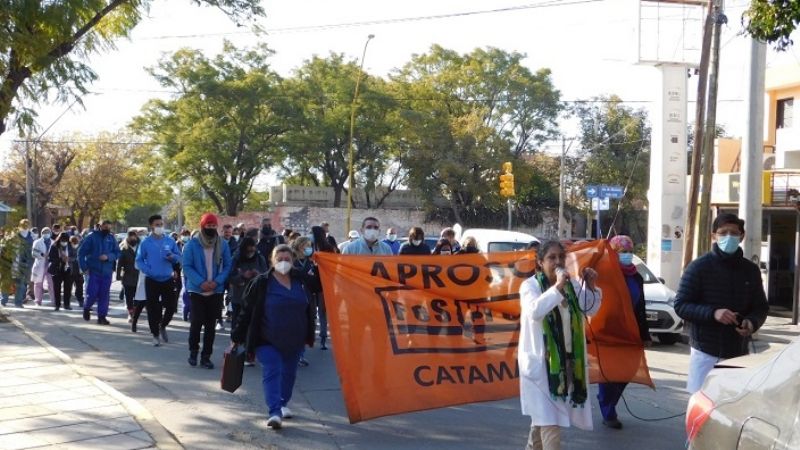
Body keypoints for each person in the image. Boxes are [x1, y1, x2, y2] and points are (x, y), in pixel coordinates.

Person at [518, 240, 602, 450]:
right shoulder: (530, 286)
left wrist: (590, 287)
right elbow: (535, 311)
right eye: (551, 258)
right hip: (542, 364)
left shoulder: (571, 285)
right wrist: (557, 288)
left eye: (561, 257)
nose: (558, 262)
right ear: (540, 262)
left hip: (564, 364)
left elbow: (590, 309)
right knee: (550, 423)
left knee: (543, 420)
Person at [674, 213, 769, 394]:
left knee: (731, 408)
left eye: (733, 233)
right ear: (714, 236)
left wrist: (752, 322)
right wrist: (713, 313)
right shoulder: (698, 267)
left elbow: (761, 307)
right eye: (723, 232)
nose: (728, 237)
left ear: (742, 236)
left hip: (739, 352)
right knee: (700, 406)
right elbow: (681, 305)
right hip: (705, 351)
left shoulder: (750, 270)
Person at [231, 244, 317, 430]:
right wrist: (236, 336)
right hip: (266, 338)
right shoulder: (261, 283)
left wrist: (319, 260)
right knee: (273, 370)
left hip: (295, 339)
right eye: (280, 259)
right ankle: (274, 412)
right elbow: (246, 311)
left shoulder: (301, 280)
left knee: (289, 374)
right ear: (272, 261)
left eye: (287, 259)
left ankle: (283, 402)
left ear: (293, 261)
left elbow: (321, 284)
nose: (284, 263)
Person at [596, 235, 651, 430]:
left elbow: (641, 308)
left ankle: (609, 400)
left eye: (629, 251)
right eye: (622, 252)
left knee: (627, 370)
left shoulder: (636, 276)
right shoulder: (604, 274)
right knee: (609, 372)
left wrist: (645, 334)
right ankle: (608, 410)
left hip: (631, 332)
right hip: (608, 332)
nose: (627, 256)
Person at [182, 213, 232, 369]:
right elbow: (187, 266)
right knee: (196, 323)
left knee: (211, 325)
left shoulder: (222, 244)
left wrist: (217, 282)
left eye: (213, 226)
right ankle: (193, 352)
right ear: (202, 226)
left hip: (215, 290)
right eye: (208, 225)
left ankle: (206, 356)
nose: (211, 228)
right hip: (197, 290)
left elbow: (228, 265)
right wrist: (201, 282)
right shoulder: (192, 244)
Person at [136, 215, 182, 346]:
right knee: (152, 308)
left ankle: (163, 324)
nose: (160, 227)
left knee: (171, 306)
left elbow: (179, 256)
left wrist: (173, 257)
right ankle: (155, 334)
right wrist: (148, 270)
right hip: (152, 279)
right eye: (157, 225)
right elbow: (139, 260)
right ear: (151, 226)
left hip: (167, 278)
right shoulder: (145, 242)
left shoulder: (170, 241)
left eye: (161, 224)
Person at [78, 220, 120, 324]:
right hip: (94, 271)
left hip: (107, 271)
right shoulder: (91, 237)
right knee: (92, 293)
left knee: (104, 295)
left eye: (109, 227)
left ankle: (102, 317)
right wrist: (84, 268)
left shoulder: (111, 238)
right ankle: (87, 307)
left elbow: (117, 252)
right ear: (100, 226)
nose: (107, 229)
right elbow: (81, 253)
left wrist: (108, 257)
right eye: (105, 227)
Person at [290, 236, 321, 366]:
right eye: (306, 245)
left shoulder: (310, 262)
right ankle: (292, 353)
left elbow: (315, 283)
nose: (309, 248)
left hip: (308, 299)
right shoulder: (291, 260)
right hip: (293, 299)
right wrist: (305, 276)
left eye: (310, 246)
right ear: (299, 246)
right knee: (293, 327)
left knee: (305, 327)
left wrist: (316, 272)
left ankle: (300, 354)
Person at [228, 237, 266, 331]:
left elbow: (266, 275)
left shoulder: (260, 258)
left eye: (253, 249)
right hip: (238, 296)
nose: (251, 252)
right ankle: (235, 341)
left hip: (255, 296)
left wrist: (258, 275)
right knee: (237, 322)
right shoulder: (236, 259)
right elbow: (229, 277)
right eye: (248, 250)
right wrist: (242, 276)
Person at [310, 225, 336, 349]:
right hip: (314, 282)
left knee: (321, 311)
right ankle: (316, 337)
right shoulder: (309, 247)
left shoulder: (327, 248)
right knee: (314, 312)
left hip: (321, 282)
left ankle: (323, 336)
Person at [1, 220, 33, 308]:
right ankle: (3, 301)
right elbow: (3, 251)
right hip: (9, 265)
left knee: (21, 284)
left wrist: (28, 265)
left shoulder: (30, 238)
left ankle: (18, 303)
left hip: (22, 266)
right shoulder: (10, 239)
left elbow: (30, 254)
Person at [47, 232, 74, 311]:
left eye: (66, 240)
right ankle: (57, 305)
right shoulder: (54, 246)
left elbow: (75, 256)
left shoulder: (70, 246)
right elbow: (50, 258)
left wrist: (69, 259)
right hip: (57, 269)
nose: (64, 241)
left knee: (68, 288)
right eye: (62, 240)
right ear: (59, 239)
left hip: (68, 268)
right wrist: (60, 259)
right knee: (57, 288)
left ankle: (67, 304)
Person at [117, 231, 140, 322]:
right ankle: (130, 314)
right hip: (128, 276)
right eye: (131, 237)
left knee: (138, 297)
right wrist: (118, 275)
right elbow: (119, 264)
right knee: (128, 296)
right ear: (128, 238)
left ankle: (135, 311)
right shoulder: (124, 249)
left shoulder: (141, 248)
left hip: (139, 276)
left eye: (134, 237)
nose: (133, 239)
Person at [31, 227, 54, 306]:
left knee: (51, 284)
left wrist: (50, 256)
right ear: (41, 233)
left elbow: (56, 254)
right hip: (40, 264)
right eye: (44, 232)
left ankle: (54, 301)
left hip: (50, 265)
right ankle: (37, 301)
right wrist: (42, 255)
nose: (46, 234)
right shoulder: (37, 242)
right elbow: (34, 253)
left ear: (50, 233)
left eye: (48, 232)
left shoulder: (53, 242)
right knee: (38, 284)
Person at [66, 235, 84, 308]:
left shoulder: (80, 247)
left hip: (78, 271)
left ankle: (81, 301)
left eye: (76, 242)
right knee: (68, 287)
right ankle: (67, 303)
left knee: (80, 287)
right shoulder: (67, 248)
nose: (75, 244)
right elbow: (66, 258)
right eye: (73, 242)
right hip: (70, 270)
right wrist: (73, 259)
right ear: (70, 242)